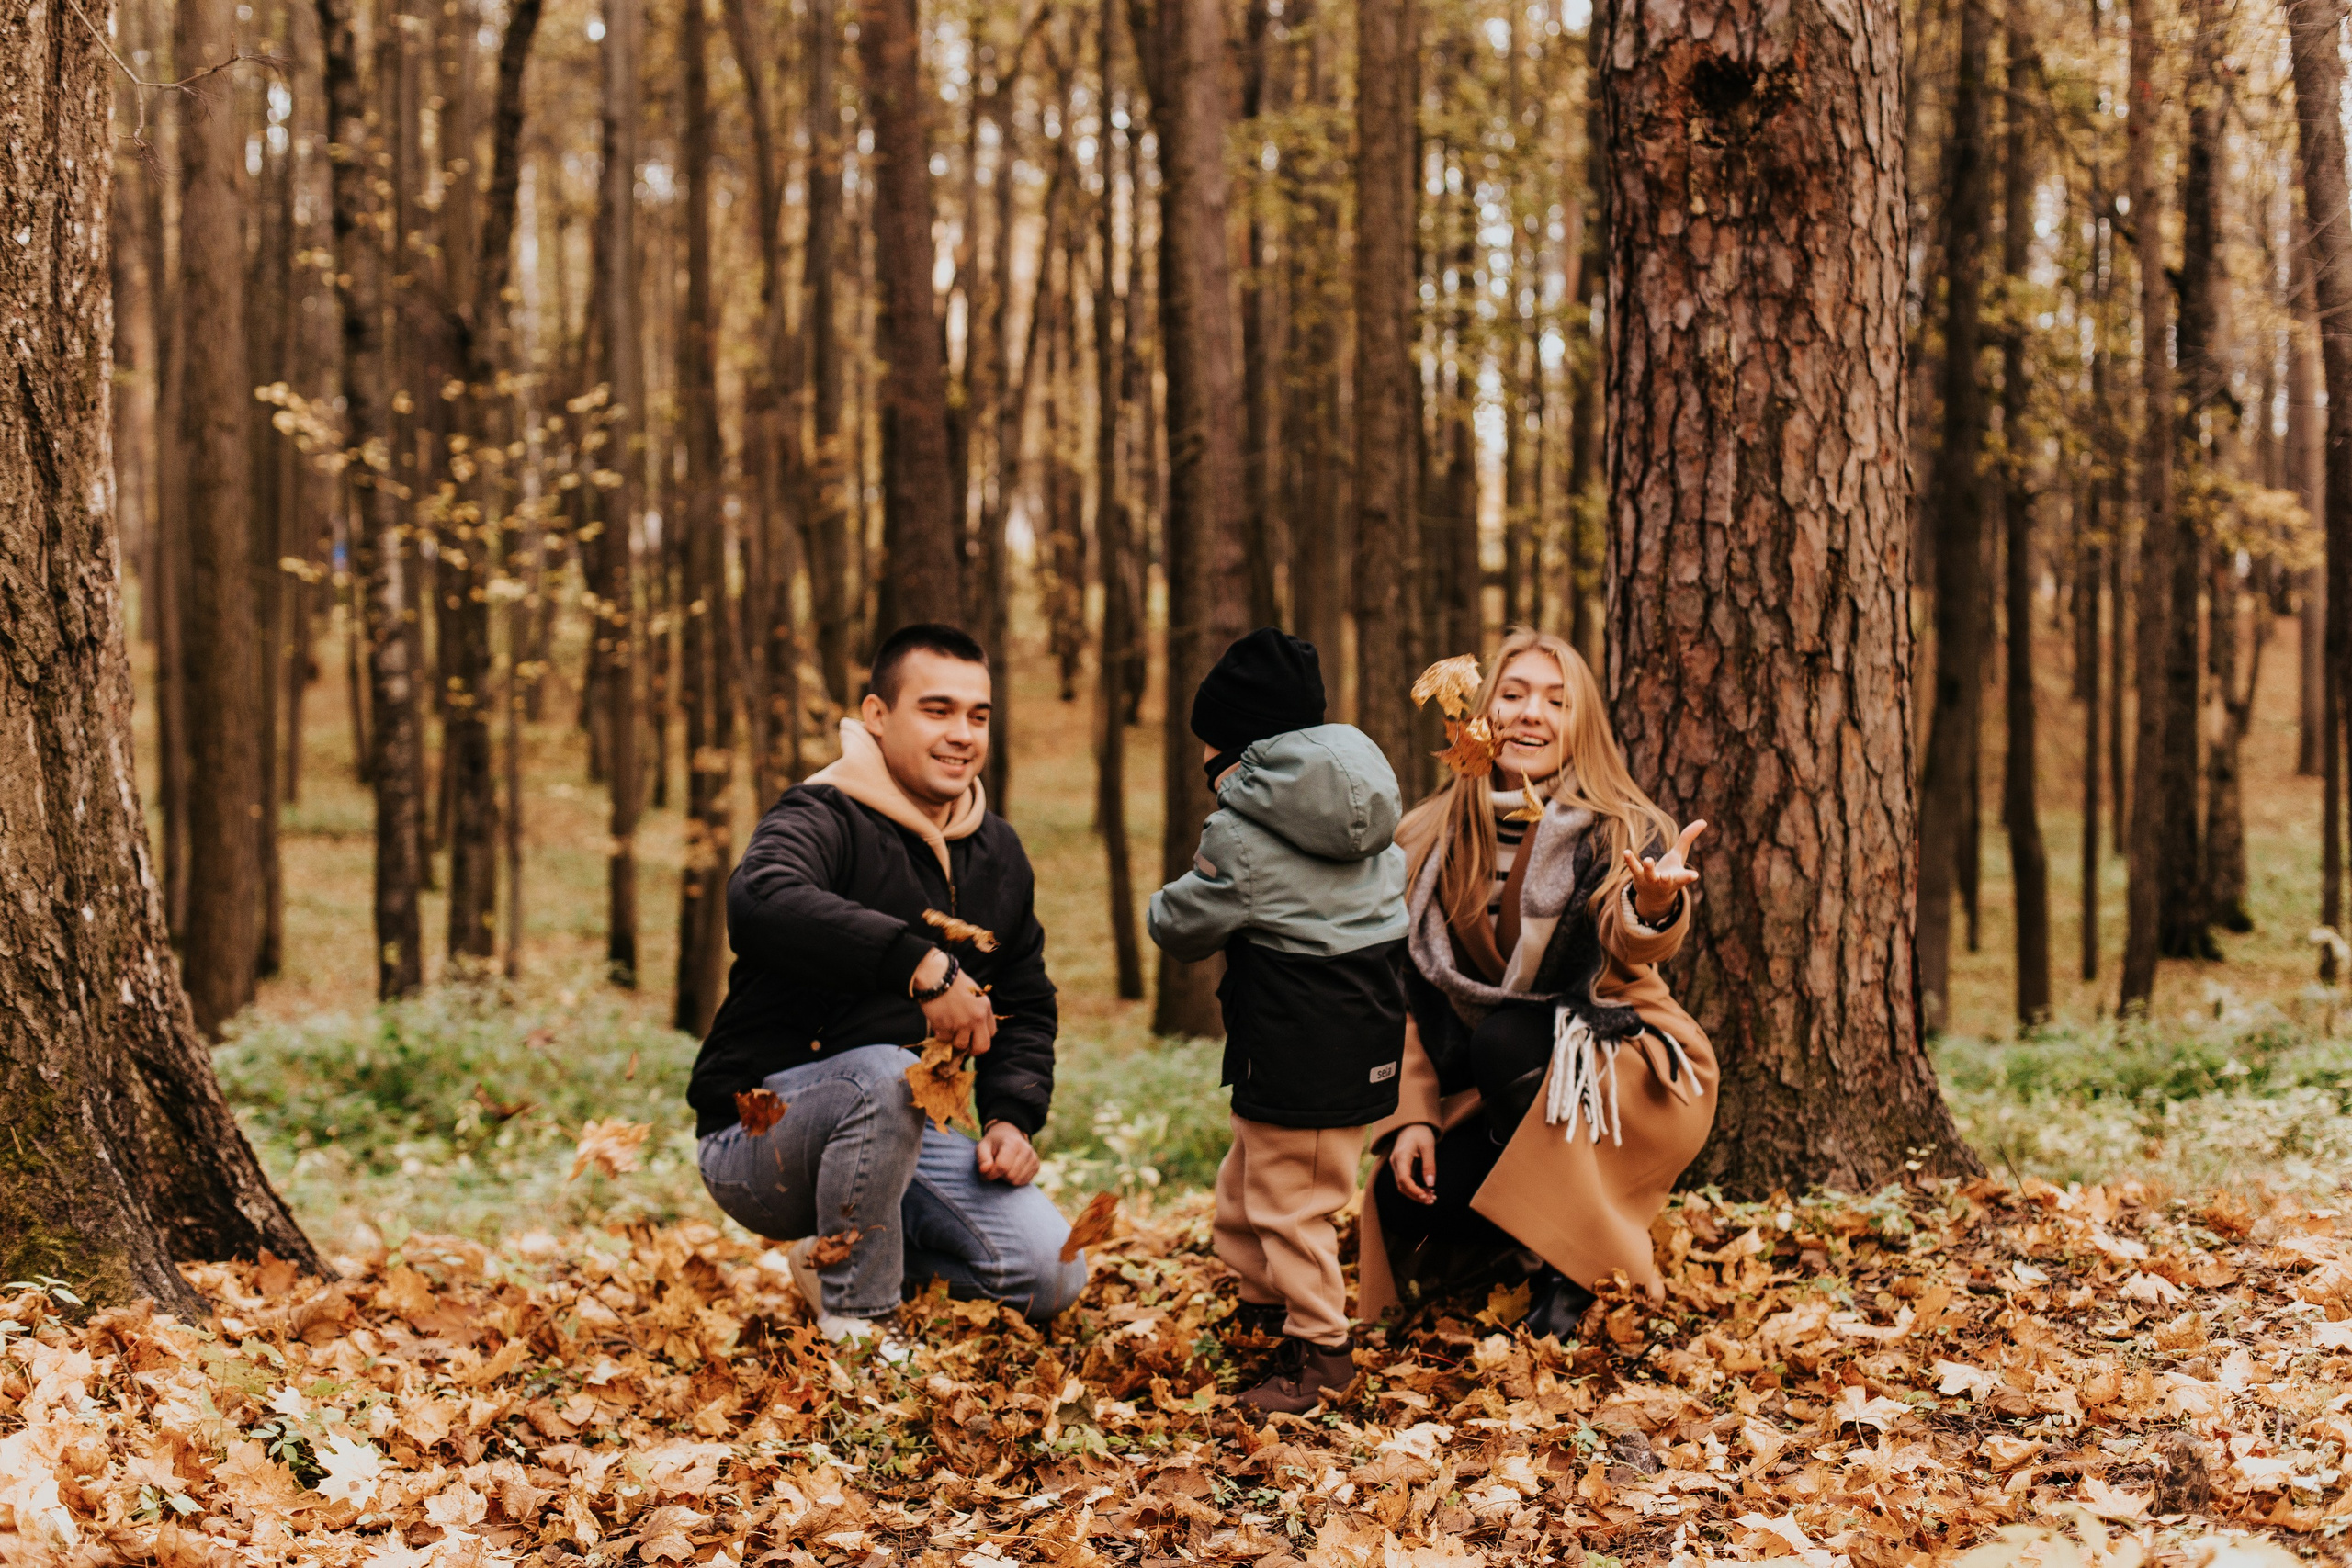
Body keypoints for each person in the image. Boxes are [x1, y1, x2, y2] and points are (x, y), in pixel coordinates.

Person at [685, 623, 1084, 1349]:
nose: (962, 733)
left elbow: (1024, 995)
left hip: (902, 1131)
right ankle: (860, 1323)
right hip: (758, 1132)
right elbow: (760, 898)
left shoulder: (995, 850)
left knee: (1048, 1274)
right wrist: (922, 963)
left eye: (978, 715)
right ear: (876, 715)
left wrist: (1011, 1117)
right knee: (887, 1074)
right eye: (937, 710)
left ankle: (832, 1263)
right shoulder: (820, 813)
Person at [1361, 627, 1715, 1340]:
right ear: (1483, 715)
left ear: (1579, 725)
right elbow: (1401, 994)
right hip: (1499, 1081)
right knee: (1405, 1203)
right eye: (1514, 694)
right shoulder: (1424, 838)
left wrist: (1653, 904)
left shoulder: (1619, 827)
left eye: (1557, 701)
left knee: (1506, 1037)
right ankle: (1519, 1249)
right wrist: (1412, 1116)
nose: (1532, 713)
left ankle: (1576, 1276)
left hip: (1628, 1067)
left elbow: (1629, 931)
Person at [1148, 628, 1408, 1415]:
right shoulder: (1372, 821)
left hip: (1300, 1048)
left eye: (1210, 750)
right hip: (1349, 1039)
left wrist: (1165, 899)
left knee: (1293, 1205)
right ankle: (1268, 1310)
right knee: (1249, 1185)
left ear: (1237, 754)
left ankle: (1322, 1352)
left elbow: (1183, 925)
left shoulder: (1241, 836)